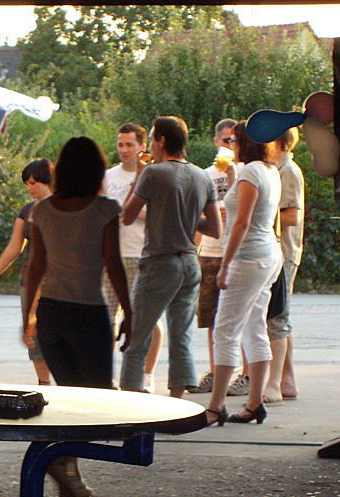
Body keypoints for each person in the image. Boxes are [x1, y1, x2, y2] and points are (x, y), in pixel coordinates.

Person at [24, 136, 132, 497]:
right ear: (97, 171)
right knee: (97, 397)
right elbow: (113, 265)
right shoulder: (105, 210)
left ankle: (67, 470)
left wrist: (29, 316)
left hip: (51, 313)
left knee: (70, 396)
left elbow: (34, 267)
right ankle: (62, 463)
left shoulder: (43, 211)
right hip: (88, 314)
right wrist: (128, 312)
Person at [119, 116, 221, 398]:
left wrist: (139, 175)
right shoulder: (202, 176)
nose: (150, 144)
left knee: (138, 336)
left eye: (152, 138)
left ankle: (129, 400)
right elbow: (214, 227)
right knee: (181, 337)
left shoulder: (154, 174)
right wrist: (186, 217)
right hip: (190, 262)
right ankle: (177, 403)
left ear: (162, 141)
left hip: (159, 263)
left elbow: (127, 216)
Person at [204, 121, 282, 426]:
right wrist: (234, 176)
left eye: (233, 140)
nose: (229, 144)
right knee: (254, 326)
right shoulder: (267, 170)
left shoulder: (251, 172)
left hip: (248, 257)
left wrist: (225, 264)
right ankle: (254, 403)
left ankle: (215, 406)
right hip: (266, 254)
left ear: (244, 142)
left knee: (225, 329)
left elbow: (241, 222)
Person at [101, 123, 163, 393]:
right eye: (120, 144)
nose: (125, 150)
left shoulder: (153, 175)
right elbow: (102, 212)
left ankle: (146, 376)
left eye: (130, 145)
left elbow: (156, 214)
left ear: (142, 147)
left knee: (146, 318)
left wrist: (130, 210)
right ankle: (104, 376)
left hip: (143, 254)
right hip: (112, 255)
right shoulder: (107, 176)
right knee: (107, 317)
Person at [0, 158, 53, 385]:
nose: (30, 188)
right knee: (33, 337)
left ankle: (67, 387)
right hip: (29, 280)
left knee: (56, 334)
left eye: (33, 183)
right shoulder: (27, 209)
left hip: (57, 282)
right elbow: (15, 246)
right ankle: (44, 384)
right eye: (27, 184)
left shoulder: (62, 207)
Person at [189, 118, 238, 394]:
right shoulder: (206, 175)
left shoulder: (244, 171)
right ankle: (214, 370)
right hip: (209, 249)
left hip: (235, 250)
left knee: (235, 318)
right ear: (217, 142)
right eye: (225, 141)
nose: (229, 146)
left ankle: (240, 375)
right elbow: (194, 213)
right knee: (210, 318)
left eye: (234, 141)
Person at [263, 126, 304, 404]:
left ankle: (279, 381)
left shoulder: (287, 170)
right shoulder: (273, 167)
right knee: (277, 315)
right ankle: (286, 377)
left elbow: (292, 217)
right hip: (275, 250)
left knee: (278, 316)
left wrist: (258, 209)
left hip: (284, 251)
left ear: (279, 142)